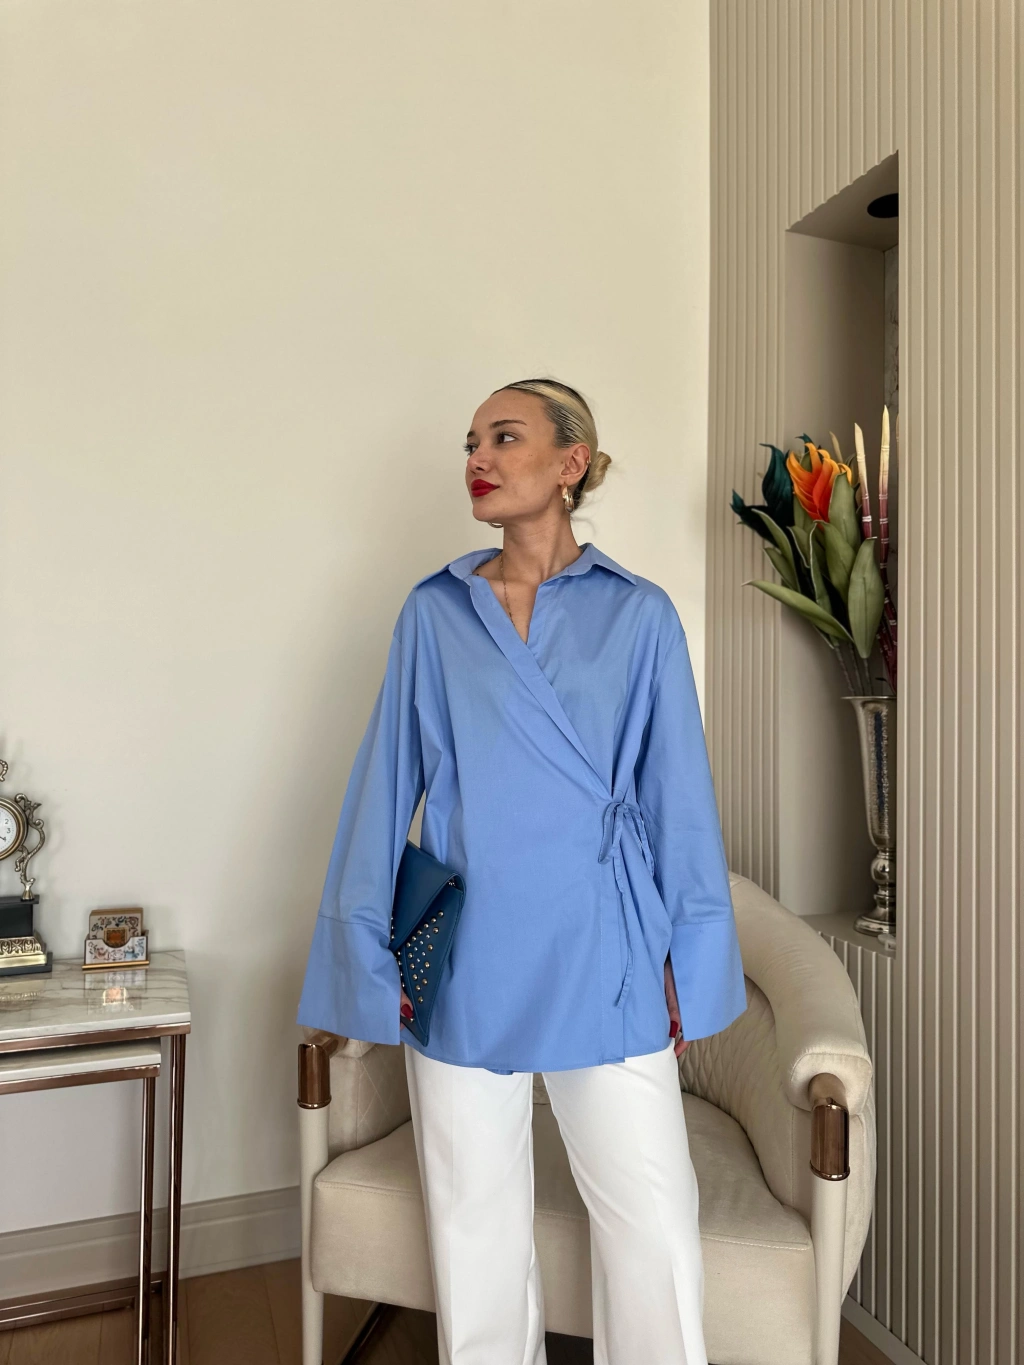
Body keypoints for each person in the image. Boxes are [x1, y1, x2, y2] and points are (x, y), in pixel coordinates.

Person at [297, 377, 747, 1365]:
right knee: (472, 1222)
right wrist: (364, 952)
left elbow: (678, 798)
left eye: (505, 437)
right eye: (471, 442)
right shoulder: (434, 613)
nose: (478, 458)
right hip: (468, 950)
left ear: (570, 462)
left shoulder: (640, 615)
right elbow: (383, 786)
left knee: (651, 1218)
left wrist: (688, 955)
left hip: (606, 942)